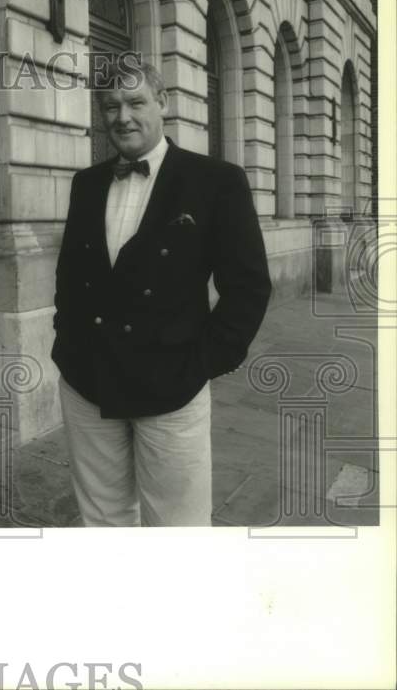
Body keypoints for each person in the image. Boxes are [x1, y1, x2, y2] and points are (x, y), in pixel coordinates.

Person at [51, 58, 272, 526]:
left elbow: (248, 286)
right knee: (103, 518)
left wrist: (205, 361)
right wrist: (65, 340)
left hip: (172, 384)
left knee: (179, 527)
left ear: (162, 104)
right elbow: (70, 274)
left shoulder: (216, 181)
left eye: (135, 102)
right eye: (110, 106)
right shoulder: (85, 184)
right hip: (87, 379)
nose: (122, 116)